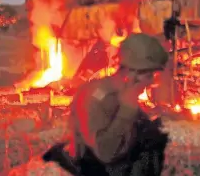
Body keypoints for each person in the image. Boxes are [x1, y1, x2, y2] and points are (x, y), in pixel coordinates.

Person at [44, 33, 169, 176]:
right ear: (132, 73)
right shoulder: (96, 96)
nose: (151, 81)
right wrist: (127, 109)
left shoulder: (123, 94)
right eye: (149, 76)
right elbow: (105, 153)